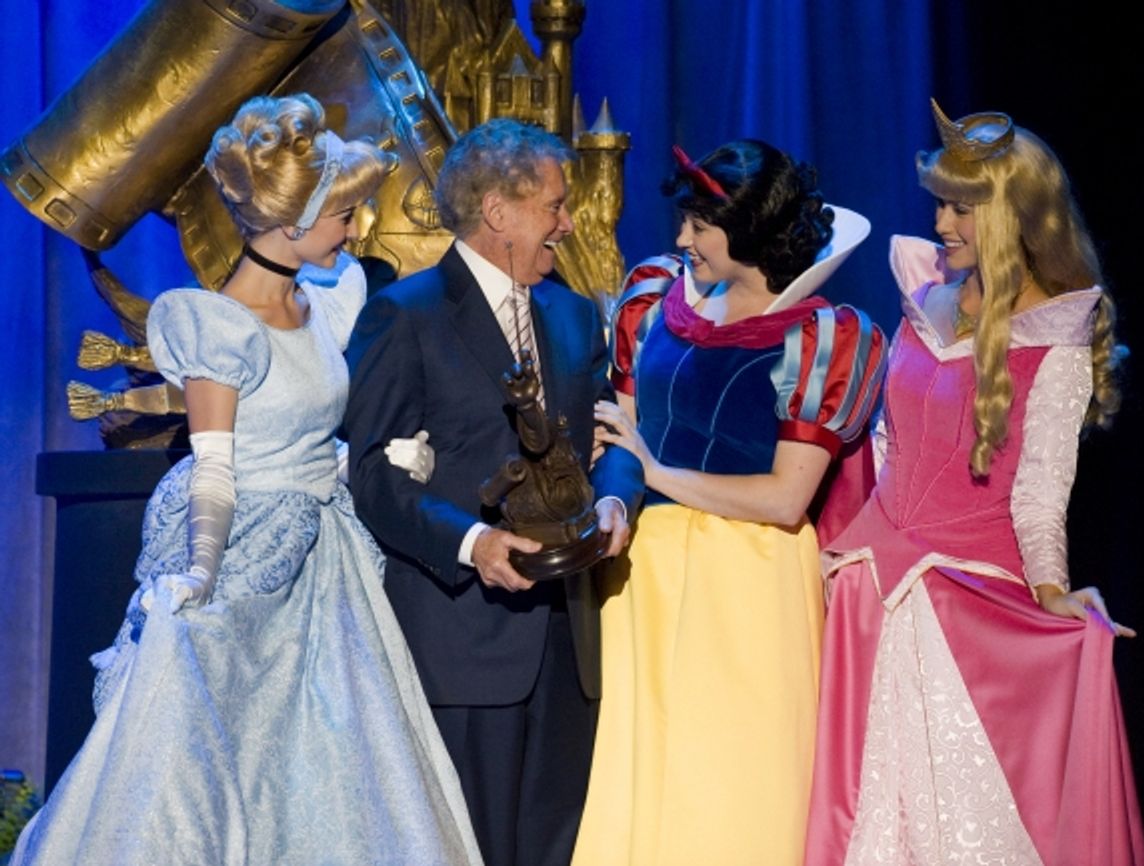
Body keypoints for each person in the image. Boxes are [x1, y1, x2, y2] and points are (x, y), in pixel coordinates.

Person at [11, 93, 483, 866]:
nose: (357, 228)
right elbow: (218, 466)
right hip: (246, 553)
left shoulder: (324, 303)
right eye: (345, 214)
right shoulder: (218, 328)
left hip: (325, 560)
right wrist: (199, 572)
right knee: (221, 758)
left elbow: (304, 431)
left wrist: (368, 460)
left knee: (335, 760)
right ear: (294, 224)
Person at [803, 101, 1144, 865]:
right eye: (941, 202)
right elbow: (889, 445)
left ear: (1010, 216)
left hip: (959, 608)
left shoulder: (1052, 340)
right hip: (868, 598)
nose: (941, 221)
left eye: (961, 207)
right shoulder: (922, 298)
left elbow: (1038, 493)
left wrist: (1055, 593)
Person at [570, 140, 887, 866]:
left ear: (749, 230)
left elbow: (785, 498)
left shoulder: (821, 337)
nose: (682, 239)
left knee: (734, 785)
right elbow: (623, 437)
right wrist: (617, 501)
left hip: (750, 579)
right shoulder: (655, 297)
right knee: (645, 775)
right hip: (644, 573)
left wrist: (655, 470)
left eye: (700, 225)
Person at [342, 118, 644, 866]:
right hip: (464, 643)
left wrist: (615, 500)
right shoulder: (405, 316)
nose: (569, 223)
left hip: (567, 642)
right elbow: (373, 478)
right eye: (556, 204)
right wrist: (473, 544)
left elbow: (612, 442)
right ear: (499, 212)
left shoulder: (574, 315)